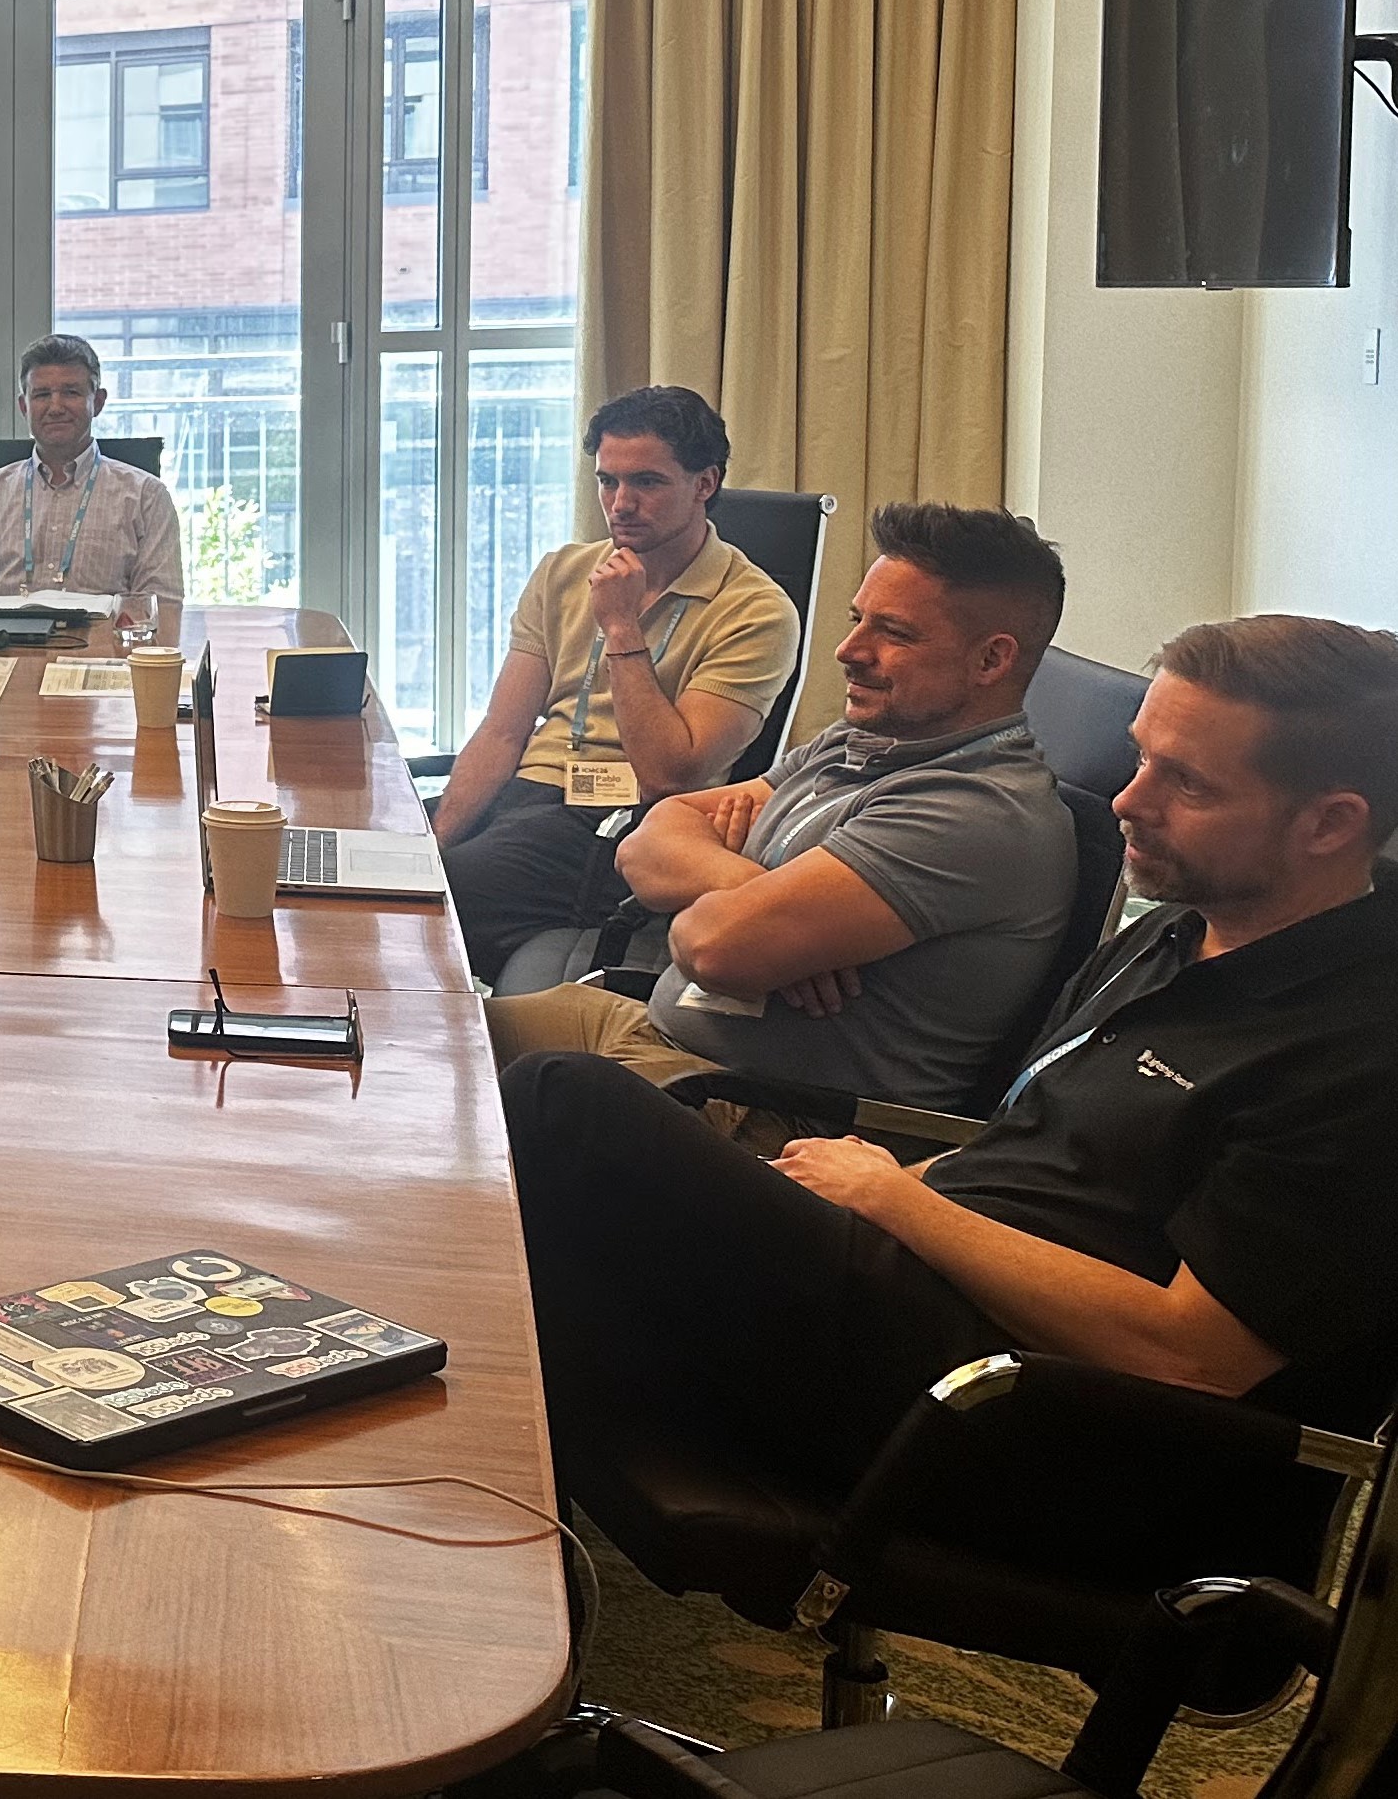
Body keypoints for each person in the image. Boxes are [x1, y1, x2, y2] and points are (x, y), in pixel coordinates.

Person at [507, 615, 1398, 1530]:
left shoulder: (1358, 1059)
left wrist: (896, 1200)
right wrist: (828, 1199)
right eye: (1140, 759)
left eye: (1188, 783)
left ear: (1330, 824)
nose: (1129, 801)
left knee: (564, 1107)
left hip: (1002, 1405)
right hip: (920, 1291)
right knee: (536, 1265)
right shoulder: (1181, 931)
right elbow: (1025, 1144)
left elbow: (1191, 1361)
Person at [486, 503, 1082, 1129]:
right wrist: (758, 891)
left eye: (895, 633)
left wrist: (736, 902)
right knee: (424, 1036)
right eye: (857, 621)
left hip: (759, 1111)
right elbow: (649, 841)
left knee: (502, 1116)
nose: (849, 650)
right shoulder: (859, 741)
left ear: (992, 660)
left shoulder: (975, 810)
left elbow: (712, 947)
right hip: (663, 1036)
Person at [433, 385, 805, 981]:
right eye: (608, 482)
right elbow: (503, 733)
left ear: (704, 484)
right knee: (382, 867)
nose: (621, 503)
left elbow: (668, 774)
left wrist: (621, 624)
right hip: (527, 798)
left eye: (647, 483)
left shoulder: (757, 612)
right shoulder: (562, 572)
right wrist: (436, 839)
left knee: (425, 910)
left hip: (620, 821)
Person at [0, 334, 184, 603]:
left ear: (97, 402)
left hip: (104, 645)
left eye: (71, 393)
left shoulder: (146, 496)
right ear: (24, 406)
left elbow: (160, 606)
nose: (55, 407)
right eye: (42, 395)